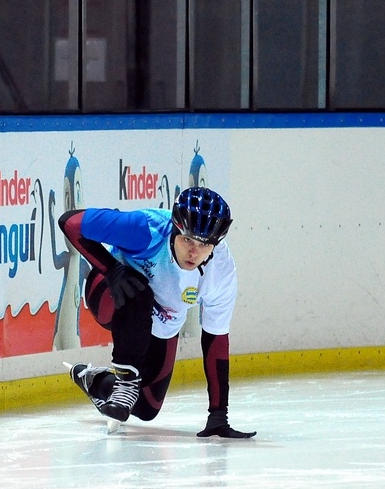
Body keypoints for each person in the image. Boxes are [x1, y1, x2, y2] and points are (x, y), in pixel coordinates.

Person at [58, 186, 255, 438]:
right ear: (174, 227)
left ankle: (94, 380)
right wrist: (112, 270)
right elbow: (70, 222)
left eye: (204, 245)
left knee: (147, 407)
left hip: (165, 318)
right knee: (139, 292)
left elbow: (215, 339)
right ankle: (126, 382)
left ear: (216, 243)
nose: (193, 252)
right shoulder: (146, 229)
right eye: (187, 240)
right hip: (111, 295)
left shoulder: (222, 272)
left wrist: (218, 415)